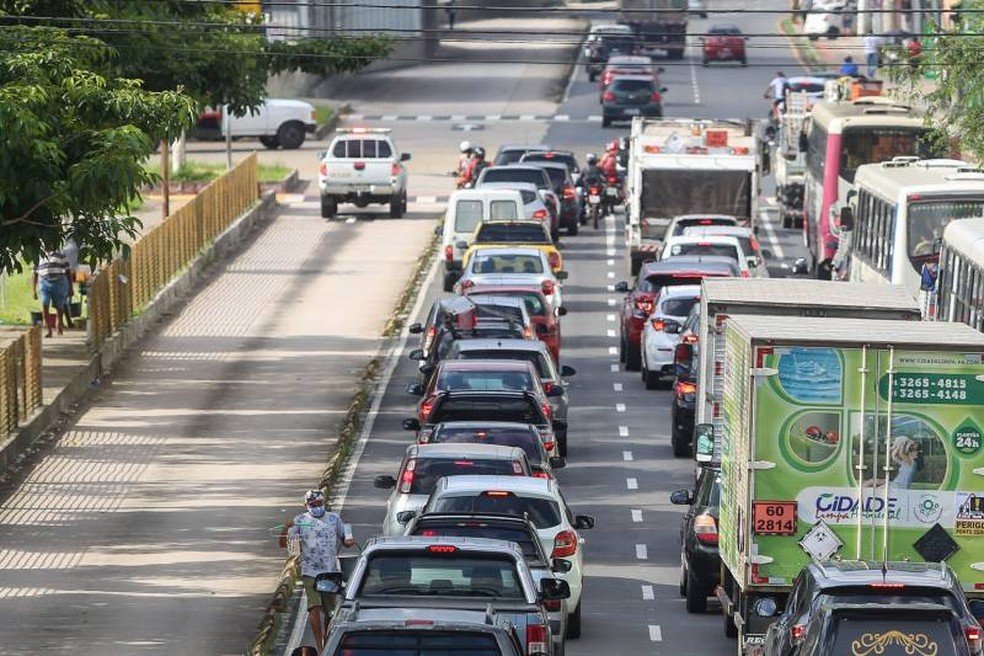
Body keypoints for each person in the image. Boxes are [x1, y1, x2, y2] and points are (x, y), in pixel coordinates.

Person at [280, 490, 355, 652]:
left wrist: (349, 539)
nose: (316, 507)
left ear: (324, 503)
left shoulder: (334, 519)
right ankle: (320, 647)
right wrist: (286, 529)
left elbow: (346, 539)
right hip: (310, 571)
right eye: (312, 505)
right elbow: (285, 544)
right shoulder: (300, 521)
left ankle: (327, 642)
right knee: (314, 607)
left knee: (330, 613)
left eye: (319, 504)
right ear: (305, 505)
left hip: (330, 571)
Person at [32, 247, 73, 338]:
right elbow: (35, 273)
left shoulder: (60, 255)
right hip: (44, 282)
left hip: (59, 282)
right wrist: (34, 290)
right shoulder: (39, 256)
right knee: (44, 304)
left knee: (59, 306)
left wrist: (70, 287)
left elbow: (68, 271)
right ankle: (49, 330)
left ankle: (59, 325)